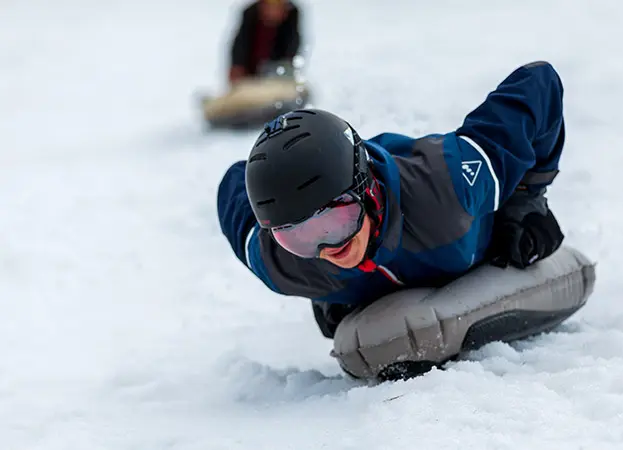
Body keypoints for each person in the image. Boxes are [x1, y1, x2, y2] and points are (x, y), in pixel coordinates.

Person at [217, 61, 567, 338]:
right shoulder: (284, 263)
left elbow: (539, 83)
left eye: (335, 221)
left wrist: (526, 196)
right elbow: (232, 184)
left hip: (453, 220)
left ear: (366, 191)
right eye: (298, 237)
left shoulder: (448, 187)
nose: (327, 249)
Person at [228, 0, 302, 86]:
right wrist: (237, 66)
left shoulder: (291, 16)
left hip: (277, 72)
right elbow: (240, 44)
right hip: (250, 73)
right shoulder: (250, 13)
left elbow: (292, 45)